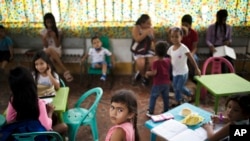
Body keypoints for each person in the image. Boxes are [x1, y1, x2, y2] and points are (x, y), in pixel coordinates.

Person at [6, 66, 67, 135]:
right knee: (64, 126)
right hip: (38, 135)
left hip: (21, 135)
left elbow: (9, 120)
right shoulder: (38, 102)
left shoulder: (13, 100)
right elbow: (47, 127)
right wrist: (50, 113)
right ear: (31, 83)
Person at [167, 27, 201, 106]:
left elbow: (192, 59)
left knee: (179, 87)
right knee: (175, 87)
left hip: (183, 72)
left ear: (181, 37)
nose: (174, 39)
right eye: (172, 36)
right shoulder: (170, 49)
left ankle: (179, 101)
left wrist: (197, 68)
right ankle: (187, 95)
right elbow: (170, 60)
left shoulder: (184, 48)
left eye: (176, 36)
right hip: (175, 72)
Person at [39, 12, 74, 82]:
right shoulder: (42, 32)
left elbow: (58, 45)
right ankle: (65, 71)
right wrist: (44, 37)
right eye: (47, 22)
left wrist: (54, 36)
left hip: (56, 51)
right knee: (49, 49)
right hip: (46, 51)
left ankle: (51, 78)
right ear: (45, 23)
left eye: (50, 22)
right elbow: (45, 46)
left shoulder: (58, 31)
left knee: (51, 59)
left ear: (53, 22)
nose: (49, 24)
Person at [145, 41, 171, 117]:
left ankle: (150, 111)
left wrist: (147, 73)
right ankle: (166, 110)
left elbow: (154, 73)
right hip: (166, 82)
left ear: (155, 51)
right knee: (165, 97)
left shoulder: (155, 62)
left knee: (153, 96)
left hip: (158, 83)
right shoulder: (168, 60)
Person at [131, 14, 155, 86]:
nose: (150, 24)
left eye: (150, 22)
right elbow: (137, 39)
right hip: (138, 50)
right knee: (141, 63)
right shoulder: (136, 28)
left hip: (148, 49)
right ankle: (144, 76)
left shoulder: (151, 29)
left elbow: (153, 40)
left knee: (152, 62)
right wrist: (146, 32)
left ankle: (143, 75)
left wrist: (154, 47)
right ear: (142, 23)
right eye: (148, 23)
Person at [181, 14, 199, 81]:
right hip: (181, 51)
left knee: (195, 59)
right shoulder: (179, 32)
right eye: (183, 24)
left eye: (186, 25)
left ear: (190, 25)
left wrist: (191, 54)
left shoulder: (194, 33)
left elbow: (195, 47)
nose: (184, 27)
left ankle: (193, 76)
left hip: (190, 52)